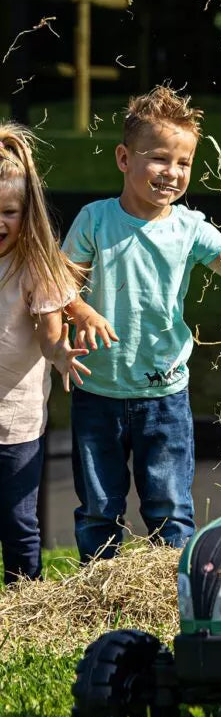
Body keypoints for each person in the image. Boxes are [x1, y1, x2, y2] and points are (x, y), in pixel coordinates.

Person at [63, 86, 221, 561]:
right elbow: (61, 285)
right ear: (123, 158)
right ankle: (97, 590)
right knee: (99, 506)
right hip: (98, 390)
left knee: (170, 506)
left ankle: (171, 588)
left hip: (165, 394)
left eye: (183, 163)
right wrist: (81, 310)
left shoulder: (188, 226)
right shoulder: (95, 220)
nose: (172, 173)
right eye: (159, 159)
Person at [0, 123, 91, 585]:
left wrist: (61, 355)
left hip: (15, 423)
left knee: (18, 523)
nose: (0, 222)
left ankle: (22, 606)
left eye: (9, 212)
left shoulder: (33, 265)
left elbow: (50, 334)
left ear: (27, 212)